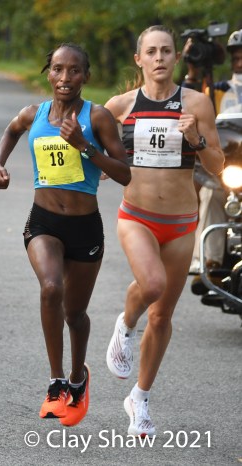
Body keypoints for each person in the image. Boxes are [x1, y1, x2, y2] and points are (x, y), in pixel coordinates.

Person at [0, 43, 131, 427]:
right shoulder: (33, 114)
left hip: (85, 227)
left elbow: (124, 173)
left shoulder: (98, 117)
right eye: (58, 69)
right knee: (51, 288)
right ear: (48, 73)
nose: (65, 78)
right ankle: (56, 383)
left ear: (86, 76)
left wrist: (84, 146)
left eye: (74, 70)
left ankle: (77, 378)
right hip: (44, 222)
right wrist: (0, 165)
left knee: (75, 313)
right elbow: (11, 130)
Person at [104, 25, 224, 437]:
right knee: (151, 285)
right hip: (136, 216)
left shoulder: (197, 103)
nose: (159, 58)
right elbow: (95, 155)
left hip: (181, 223)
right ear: (139, 59)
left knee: (162, 315)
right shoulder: (119, 106)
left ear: (176, 57)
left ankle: (139, 398)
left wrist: (196, 138)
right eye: (151, 51)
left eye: (166, 51)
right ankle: (125, 324)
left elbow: (217, 166)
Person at [186, 29, 242, 279]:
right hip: (230, 166)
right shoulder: (217, 90)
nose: (239, 63)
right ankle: (210, 262)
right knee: (211, 193)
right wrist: (193, 73)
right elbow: (190, 102)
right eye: (236, 58)